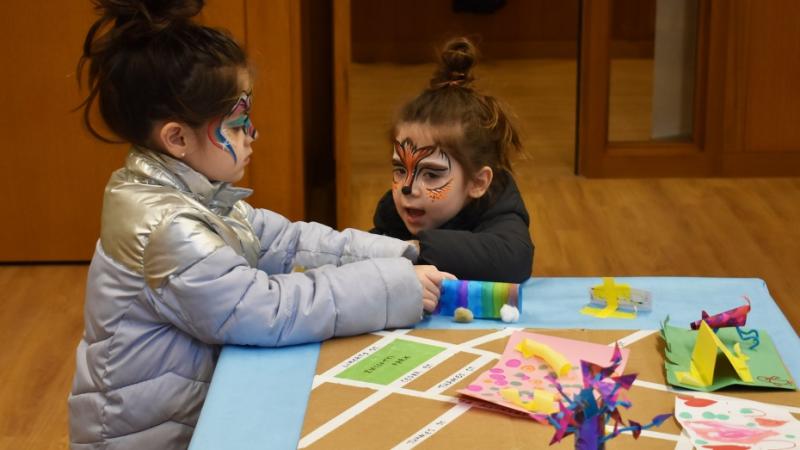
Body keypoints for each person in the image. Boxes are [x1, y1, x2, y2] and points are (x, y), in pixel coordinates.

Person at [68, 1, 451, 448]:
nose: (253, 135)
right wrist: (394, 286)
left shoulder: (193, 191)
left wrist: (399, 252)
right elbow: (268, 311)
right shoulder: (167, 227)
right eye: (236, 125)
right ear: (177, 138)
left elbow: (288, 242)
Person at [371, 37, 534, 284]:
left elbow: (514, 258)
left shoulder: (498, 209)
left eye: (432, 174)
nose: (408, 187)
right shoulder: (392, 214)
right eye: (400, 169)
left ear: (478, 183)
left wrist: (412, 249)